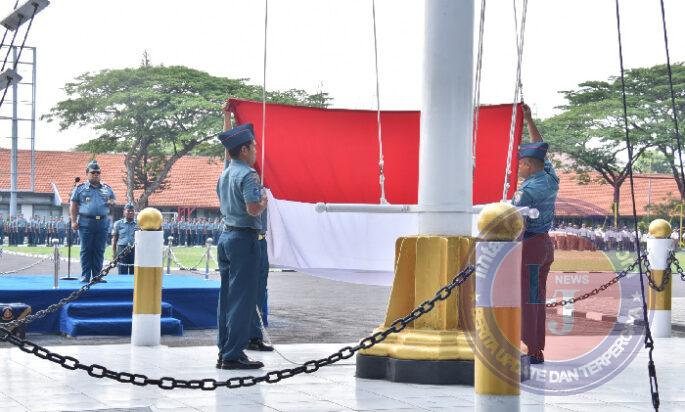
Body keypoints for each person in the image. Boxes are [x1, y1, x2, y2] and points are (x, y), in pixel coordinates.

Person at [215, 120, 268, 370]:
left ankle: (224, 348)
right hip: (244, 239)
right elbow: (252, 208)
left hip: (226, 237)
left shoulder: (225, 173)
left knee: (226, 298)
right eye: (254, 147)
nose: (256, 151)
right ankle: (234, 354)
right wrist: (264, 203)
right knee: (242, 300)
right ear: (244, 150)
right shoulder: (248, 175)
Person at [512, 103, 559, 365]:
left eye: (520, 165)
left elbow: (507, 218)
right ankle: (536, 347)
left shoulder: (526, 192)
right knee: (537, 297)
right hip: (544, 246)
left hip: (529, 247)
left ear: (528, 166)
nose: (518, 169)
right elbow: (539, 146)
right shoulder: (550, 177)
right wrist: (529, 120)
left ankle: (531, 351)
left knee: (528, 298)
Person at [70, 160, 115, 283]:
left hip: (102, 223)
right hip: (86, 222)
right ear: (87, 173)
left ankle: (97, 275)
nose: (96, 174)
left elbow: (112, 202)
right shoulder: (80, 189)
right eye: (93, 172)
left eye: (98, 172)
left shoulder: (107, 189)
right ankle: (85, 275)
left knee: (99, 249)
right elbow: (73, 205)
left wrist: (111, 203)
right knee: (86, 249)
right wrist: (73, 221)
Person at [112, 203, 137, 275]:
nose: (131, 212)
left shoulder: (138, 224)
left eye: (132, 211)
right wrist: (114, 254)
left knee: (134, 273)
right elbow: (114, 239)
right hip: (122, 249)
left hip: (134, 250)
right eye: (128, 211)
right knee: (122, 271)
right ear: (124, 212)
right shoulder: (118, 224)